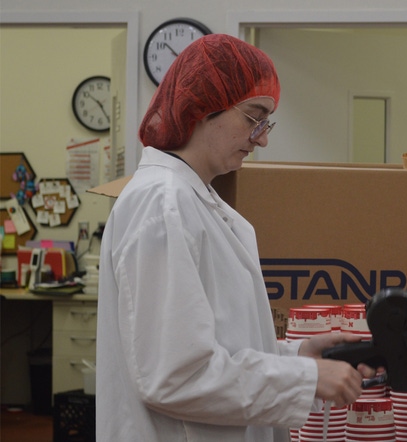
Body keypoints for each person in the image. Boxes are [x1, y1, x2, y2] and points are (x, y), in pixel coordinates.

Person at [96, 34, 376, 441]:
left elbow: (214, 348)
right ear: (202, 106)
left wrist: (298, 354)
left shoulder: (196, 202)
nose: (262, 138)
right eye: (253, 116)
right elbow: (175, 375)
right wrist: (303, 378)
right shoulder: (161, 205)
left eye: (266, 121)